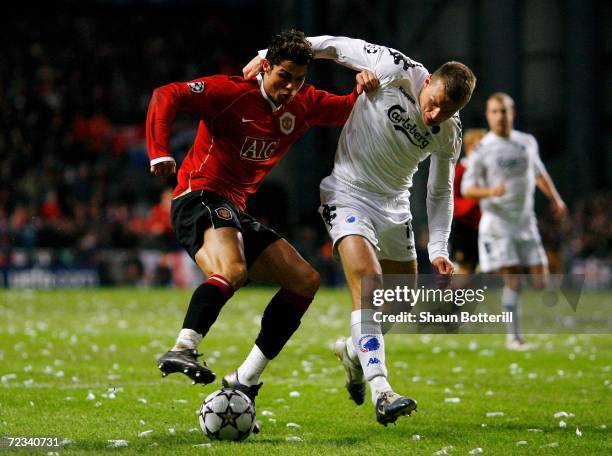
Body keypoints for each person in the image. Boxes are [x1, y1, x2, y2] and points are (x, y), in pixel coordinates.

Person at [146, 30, 378, 422]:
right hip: (198, 196)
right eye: (283, 76)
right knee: (232, 270)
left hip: (236, 210)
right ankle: (184, 346)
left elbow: (344, 109)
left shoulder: (303, 104)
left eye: (299, 79)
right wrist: (159, 152)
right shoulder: (230, 92)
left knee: (304, 280)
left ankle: (245, 377)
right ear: (265, 66)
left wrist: (364, 82)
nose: (290, 87)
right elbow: (165, 94)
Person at [244, 35, 476, 425]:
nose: (434, 114)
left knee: (400, 300)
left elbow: (439, 190)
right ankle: (382, 390)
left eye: (446, 110)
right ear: (427, 82)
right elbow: (332, 46)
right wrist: (265, 54)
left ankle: (354, 351)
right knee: (369, 282)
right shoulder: (394, 68)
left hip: (395, 209)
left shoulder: (449, 132)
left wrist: (438, 246)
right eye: (434, 102)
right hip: (348, 194)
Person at [461, 92, 567, 350]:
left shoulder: (526, 142)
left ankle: (487, 277)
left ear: (513, 113)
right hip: (498, 223)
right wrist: (490, 192)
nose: (500, 116)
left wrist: (556, 199)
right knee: (514, 281)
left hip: (525, 221)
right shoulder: (483, 149)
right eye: (495, 112)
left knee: (541, 281)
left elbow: (539, 172)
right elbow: (467, 188)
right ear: (488, 116)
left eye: (504, 111)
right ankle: (514, 337)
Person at [451, 128, 487, 274]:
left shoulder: (485, 171)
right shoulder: (460, 169)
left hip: (482, 225)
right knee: (463, 267)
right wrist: (472, 204)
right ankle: (455, 296)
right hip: (464, 225)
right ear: (469, 147)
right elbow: (451, 199)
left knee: (478, 267)